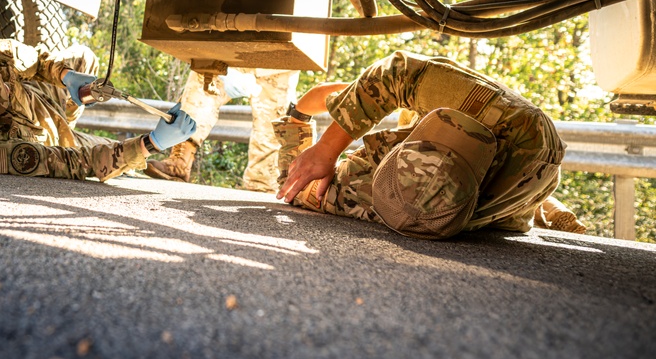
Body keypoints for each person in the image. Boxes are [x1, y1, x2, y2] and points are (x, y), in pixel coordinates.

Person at [275, 51, 586, 239]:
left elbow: (292, 180)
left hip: (513, 190)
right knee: (406, 88)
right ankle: (540, 205)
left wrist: (302, 121)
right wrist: (321, 139)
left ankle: (538, 206)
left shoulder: (360, 193)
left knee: (477, 214)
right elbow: (397, 73)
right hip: (523, 145)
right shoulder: (515, 127)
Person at [0, 38, 197, 182]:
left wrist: (66, 78)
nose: (6, 90)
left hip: (37, 97)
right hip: (44, 136)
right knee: (117, 158)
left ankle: (74, 104)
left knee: (83, 58)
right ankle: (161, 169)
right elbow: (77, 163)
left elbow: (33, 59)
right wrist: (152, 143)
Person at [145, 68, 299, 191]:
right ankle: (179, 163)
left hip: (281, 63)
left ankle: (262, 187)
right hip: (237, 47)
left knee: (271, 125)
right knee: (203, 78)